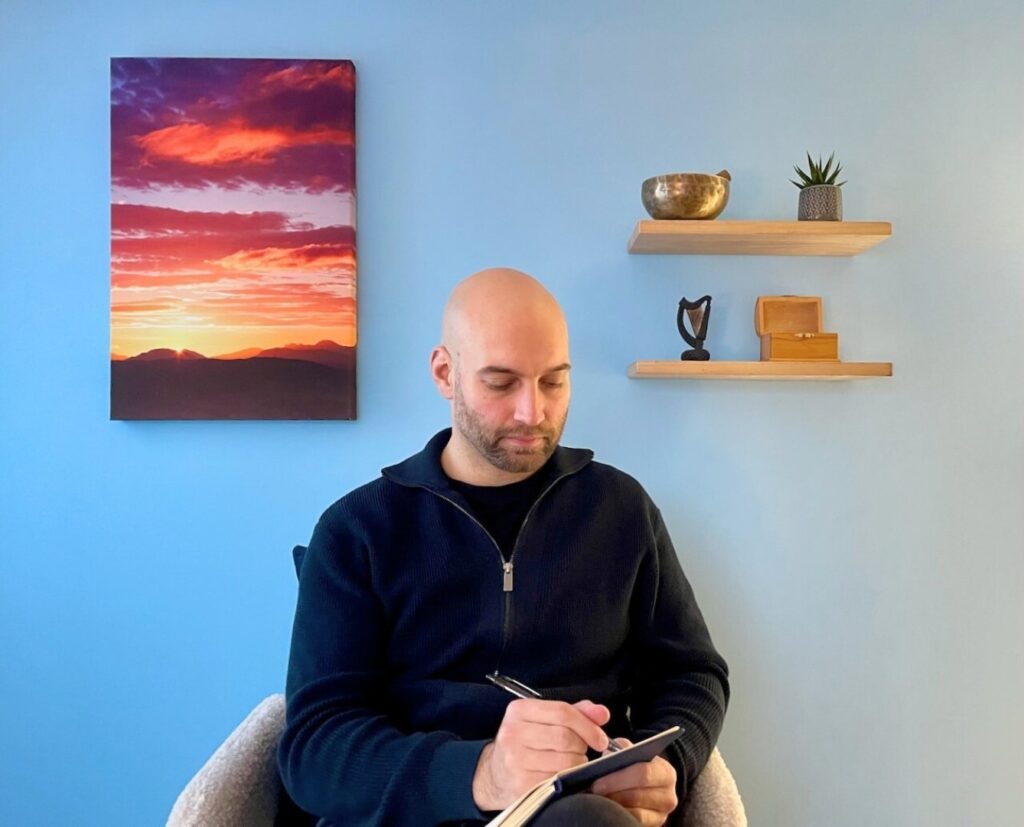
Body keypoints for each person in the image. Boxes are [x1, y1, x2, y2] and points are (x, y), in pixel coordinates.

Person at [278, 268, 729, 826]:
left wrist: (672, 765)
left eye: (554, 382)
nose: (532, 413)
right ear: (446, 373)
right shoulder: (358, 531)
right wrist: (483, 772)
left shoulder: (621, 509)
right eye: (501, 383)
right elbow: (314, 749)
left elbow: (693, 672)